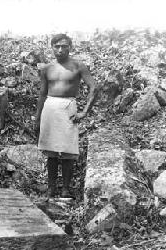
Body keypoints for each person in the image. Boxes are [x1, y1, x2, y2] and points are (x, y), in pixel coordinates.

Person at [35, 34, 96, 198]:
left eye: (64, 46)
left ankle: (66, 189)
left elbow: (94, 88)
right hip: (50, 108)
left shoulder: (78, 66)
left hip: (68, 107)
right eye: (57, 46)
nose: (60, 50)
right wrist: (37, 117)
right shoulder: (47, 68)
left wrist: (84, 112)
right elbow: (42, 94)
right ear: (52, 47)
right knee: (51, 152)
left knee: (68, 151)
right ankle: (51, 187)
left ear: (70, 47)